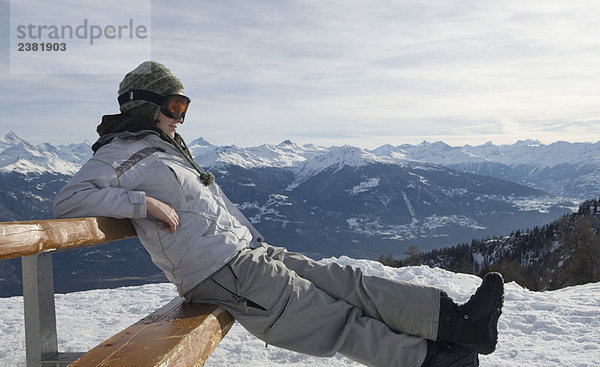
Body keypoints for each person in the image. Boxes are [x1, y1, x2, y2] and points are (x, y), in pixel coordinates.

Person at [53, 61, 504, 367]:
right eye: (175, 107)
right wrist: (141, 204)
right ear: (145, 106)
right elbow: (69, 201)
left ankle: (460, 323)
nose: (181, 118)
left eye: (184, 107)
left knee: (350, 284)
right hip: (220, 272)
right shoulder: (121, 153)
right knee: (334, 319)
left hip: (247, 253)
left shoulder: (162, 149)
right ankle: (439, 360)